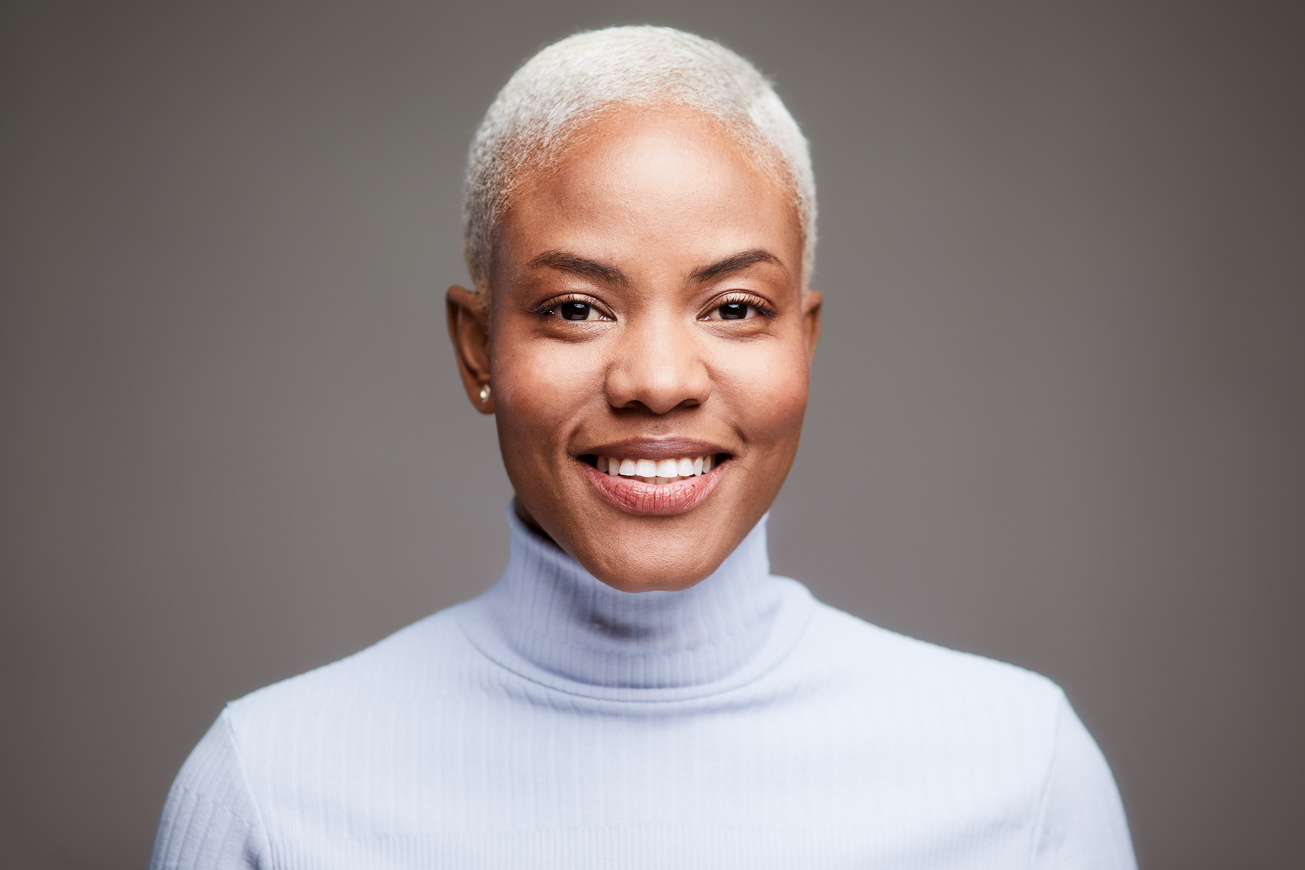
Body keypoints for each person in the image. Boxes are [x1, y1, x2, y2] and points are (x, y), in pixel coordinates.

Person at [150, 26, 1136, 868]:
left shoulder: (1018, 773)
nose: (658, 379)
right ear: (475, 347)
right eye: (576, 307)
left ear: (806, 340)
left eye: (737, 308)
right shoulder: (271, 788)